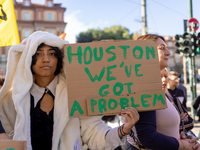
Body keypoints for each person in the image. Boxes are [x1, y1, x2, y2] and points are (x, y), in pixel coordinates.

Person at [0, 31, 139, 150]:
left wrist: (123, 130)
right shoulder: (11, 101)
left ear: (59, 58)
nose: (46, 59)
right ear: (28, 59)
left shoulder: (77, 93)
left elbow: (93, 133)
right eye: (38, 54)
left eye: (52, 53)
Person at [126, 34, 199, 150]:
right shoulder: (144, 86)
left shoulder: (154, 87)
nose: (168, 53)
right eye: (162, 48)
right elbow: (147, 137)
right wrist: (183, 145)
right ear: (145, 53)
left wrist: (182, 138)